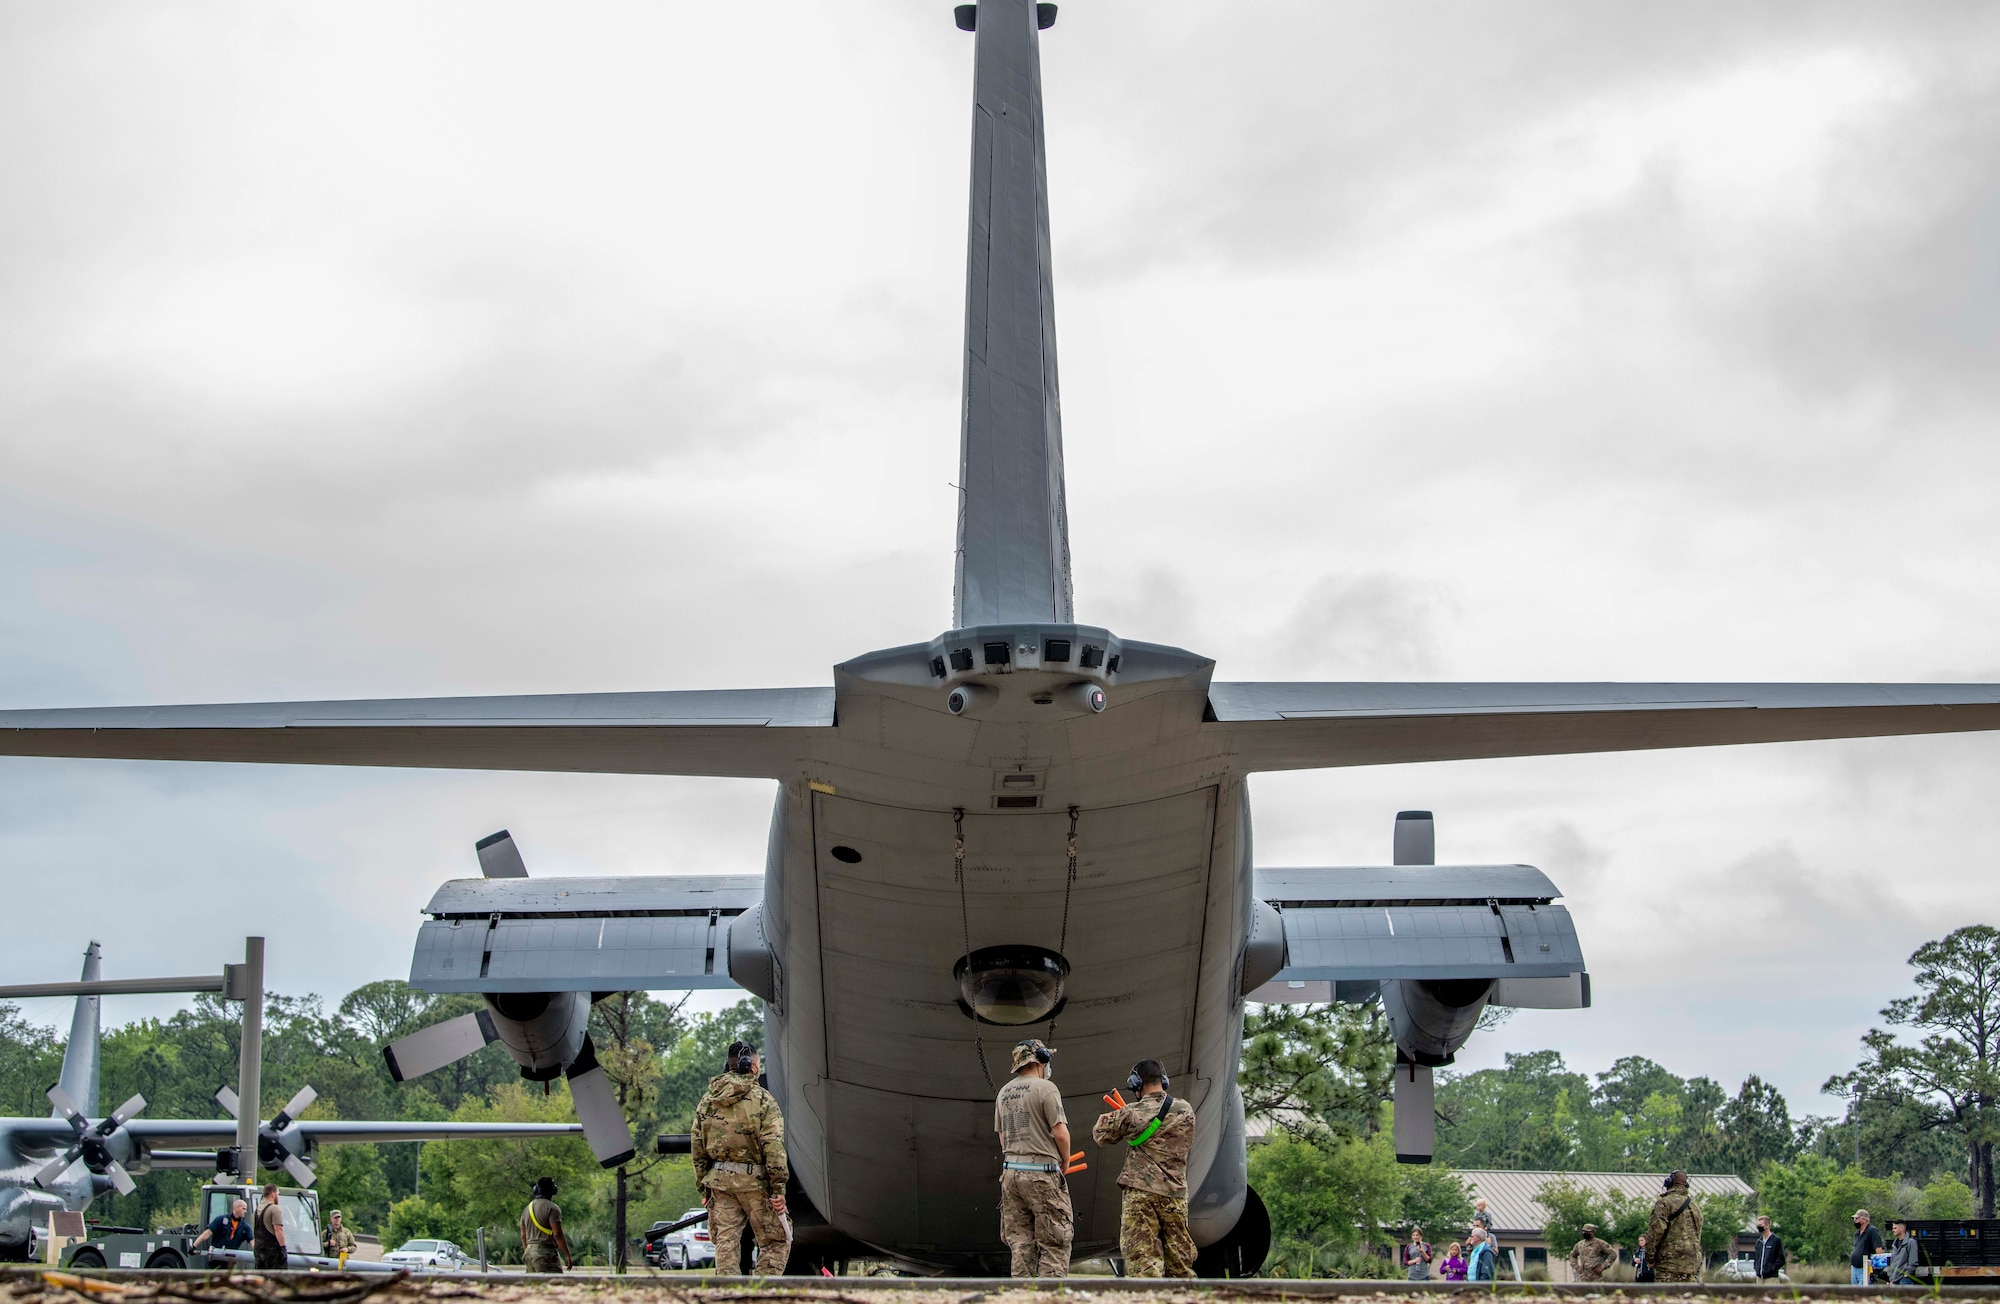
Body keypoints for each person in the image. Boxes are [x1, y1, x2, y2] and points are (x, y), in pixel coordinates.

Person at [1091, 1057, 1195, 1278]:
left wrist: (1124, 1116)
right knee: (1180, 1265)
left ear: (1137, 1084)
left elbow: (1100, 1133)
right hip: (1175, 1195)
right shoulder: (1186, 1110)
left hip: (1141, 1196)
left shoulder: (1132, 1112)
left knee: (1144, 1266)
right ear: (1163, 1080)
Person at [694, 1040, 790, 1276]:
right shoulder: (763, 1100)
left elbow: (697, 1146)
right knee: (776, 1241)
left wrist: (703, 1188)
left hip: (719, 1184)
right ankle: (761, 1298)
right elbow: (773, 1145)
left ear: (727, 1065)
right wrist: (778, 1188)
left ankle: (729, 1297)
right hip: (755, 1183)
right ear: (753, 1068)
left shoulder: (708, 1101)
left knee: (726, 1243)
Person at [994, 1038, 1073, 1278]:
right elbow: (1060, 1132)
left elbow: (1002, 1137)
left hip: (1010, 1176)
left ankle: (1022, 1297)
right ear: (1041, 1060)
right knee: (1054, 1242)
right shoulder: (1047, 1089)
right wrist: (1065, 1160)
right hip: (1041, 1174)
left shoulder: (1004, 1092)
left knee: (1021, 1245)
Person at [1646, 1171, 1704, 1283]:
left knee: (1666, 1298)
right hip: (1692, 1264)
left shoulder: (1664, 1203)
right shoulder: (1695, 1207)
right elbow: (1698, 1235)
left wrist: (1650, 1257)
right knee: (1688, 1298)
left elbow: (1655, 1232)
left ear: (1669, 1183)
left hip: (1669, 1264)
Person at [520, 1176, 573, 1273]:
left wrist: (527, 1251)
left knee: (534, 1286)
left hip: (529, 1252)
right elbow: (557, 1234)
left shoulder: (527, 1209)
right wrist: (567, 1255)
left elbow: (524, 1236)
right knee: (553, 1284)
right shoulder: (552, 1208)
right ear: (553, 1190)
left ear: (536, 1189)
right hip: (545, 1253)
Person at [252, 1183, 287, 1270]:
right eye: (278, 1194)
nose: (278, 1197)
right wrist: (283, 1248)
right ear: (273, 1194)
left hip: (259, 1251)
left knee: (260, 1279)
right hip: (272, 1252)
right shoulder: (274, 1209)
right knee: (278, 1279)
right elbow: (278, 1230)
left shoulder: (257, 1209)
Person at [1850, 1208, 1884, 1286]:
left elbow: (1878, 1249)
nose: (1855, 1220)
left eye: (1857, 1218)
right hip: (1854, 1268)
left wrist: (1877, 1270)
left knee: (1864, 1292)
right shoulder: (1857, 1234)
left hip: (1865, 1268)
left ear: (1864, 1220)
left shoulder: (1872, 1231)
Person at [1752, 1215, 1786, 1282]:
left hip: (1771, 1278)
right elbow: (1756, 1257)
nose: (1758, 1227)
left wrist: (1772, 1268)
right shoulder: (1759, 1242)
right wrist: (1756, 1268)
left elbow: (1781, 1258)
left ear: (1767, 1226)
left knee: (1771, 1293)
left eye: (1760, 1225)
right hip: (1759, 1278)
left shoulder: (1776, 1240)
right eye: (1758, 1225)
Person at [1888, 1220, 1919, 1285]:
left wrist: (1906, 1274)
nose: (1893, 1230)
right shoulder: (1894, 1244)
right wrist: (1892, 1279)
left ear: (1902, 1228)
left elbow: (1913, 1261)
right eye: (1893, 1228)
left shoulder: (1911, 1242)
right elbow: (1893, 1262)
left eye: (1895, 1228)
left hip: (1904, 1280)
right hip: (1895, 1280)